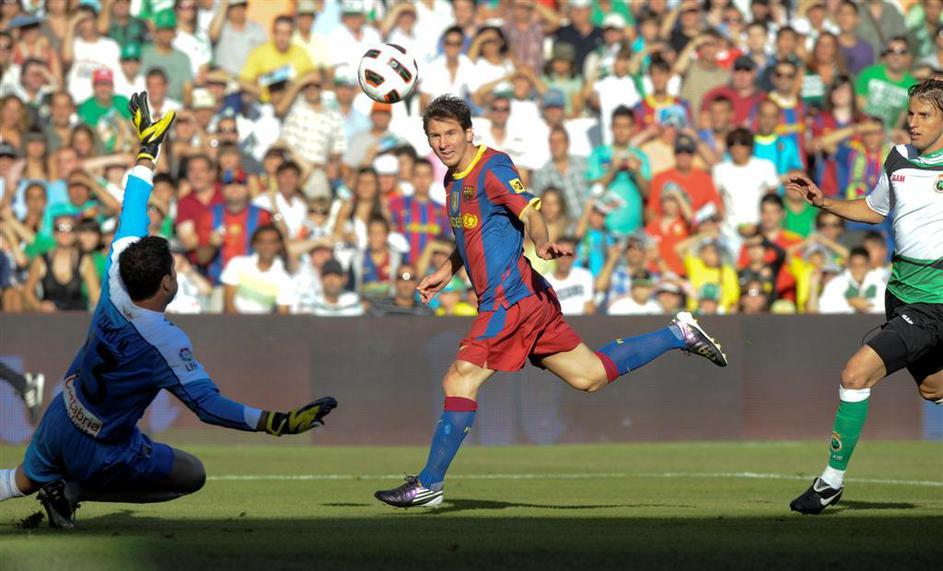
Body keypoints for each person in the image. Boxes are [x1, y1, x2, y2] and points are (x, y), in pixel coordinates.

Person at [0, 93, 336, 528]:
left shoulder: (115, 277)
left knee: (21, 479)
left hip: (62, 413)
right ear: (166, 283)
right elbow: (208, 406)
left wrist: (147, 151)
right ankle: (73, 491)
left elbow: (132, 206)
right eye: (174, 270)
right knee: (190, 473)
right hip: (100, 447)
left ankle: (55, 488)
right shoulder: (163, 340)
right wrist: (276, 422)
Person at [373, 95, 727, 508]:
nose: (443, 142)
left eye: (450, 133)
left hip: (511, 299)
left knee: (459, 379)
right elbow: (474, 235)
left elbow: (529, 212)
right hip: (528, 298)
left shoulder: (493, 166)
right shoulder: (452, 181)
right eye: (435, 136)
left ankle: (429, 484)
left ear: (469, 133)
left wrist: (541, 243)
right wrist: (448, 269)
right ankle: (677, 334)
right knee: (589, 376)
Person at [786, 79, 943, 514]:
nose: (913, 123)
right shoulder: (898, 158)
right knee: (933, 389)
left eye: (925, 115)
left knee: (856, 374)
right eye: (910, 114)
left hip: (935, 303)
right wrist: (824, 202)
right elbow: (875, 208)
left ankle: (830, 483)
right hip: (900, 295)